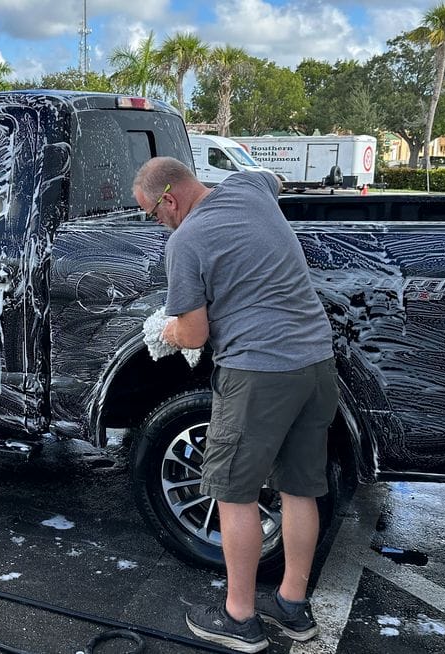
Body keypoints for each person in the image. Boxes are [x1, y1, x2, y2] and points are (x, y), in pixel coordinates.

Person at [133, 158, 337, 653]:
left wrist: (163, 328)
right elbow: (275, 178)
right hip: (315, 362)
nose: (156, 223)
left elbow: (193, 333)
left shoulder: (186, 241)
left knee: (233, 493)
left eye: (152, 214)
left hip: (257, 372)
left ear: (169, 199)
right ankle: (292, 605)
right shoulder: (250, 186)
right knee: (300, 488)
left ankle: (239, 618)